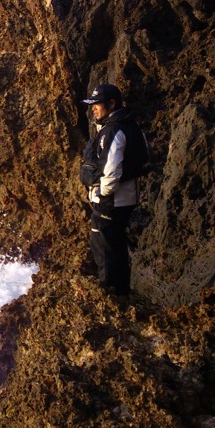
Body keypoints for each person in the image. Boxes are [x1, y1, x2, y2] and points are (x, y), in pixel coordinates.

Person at [80, 84, 148, 297]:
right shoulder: (129, 125)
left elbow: (111, 172)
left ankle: (111, 294)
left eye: (97, 104)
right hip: (126, 199)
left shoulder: (113, 131)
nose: (93, 109)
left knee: (104, 248)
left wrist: (101, 196)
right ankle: (122, 292)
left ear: (111, 104)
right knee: (116, 247)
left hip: (113, 202)